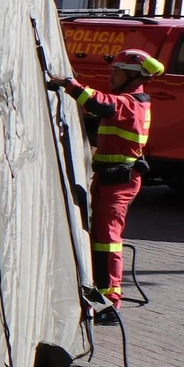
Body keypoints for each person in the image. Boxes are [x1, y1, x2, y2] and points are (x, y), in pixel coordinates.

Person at [59, 49, 161, 325]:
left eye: (117, 72)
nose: (111, 76)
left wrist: (69, 85)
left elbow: (101, 104)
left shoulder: (131, 104)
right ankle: (101, 295)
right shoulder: (130, 102)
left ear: (133, 76)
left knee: (107, 241)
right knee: (101, 239)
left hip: (119, 182)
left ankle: (110, 304)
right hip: (110, 179)